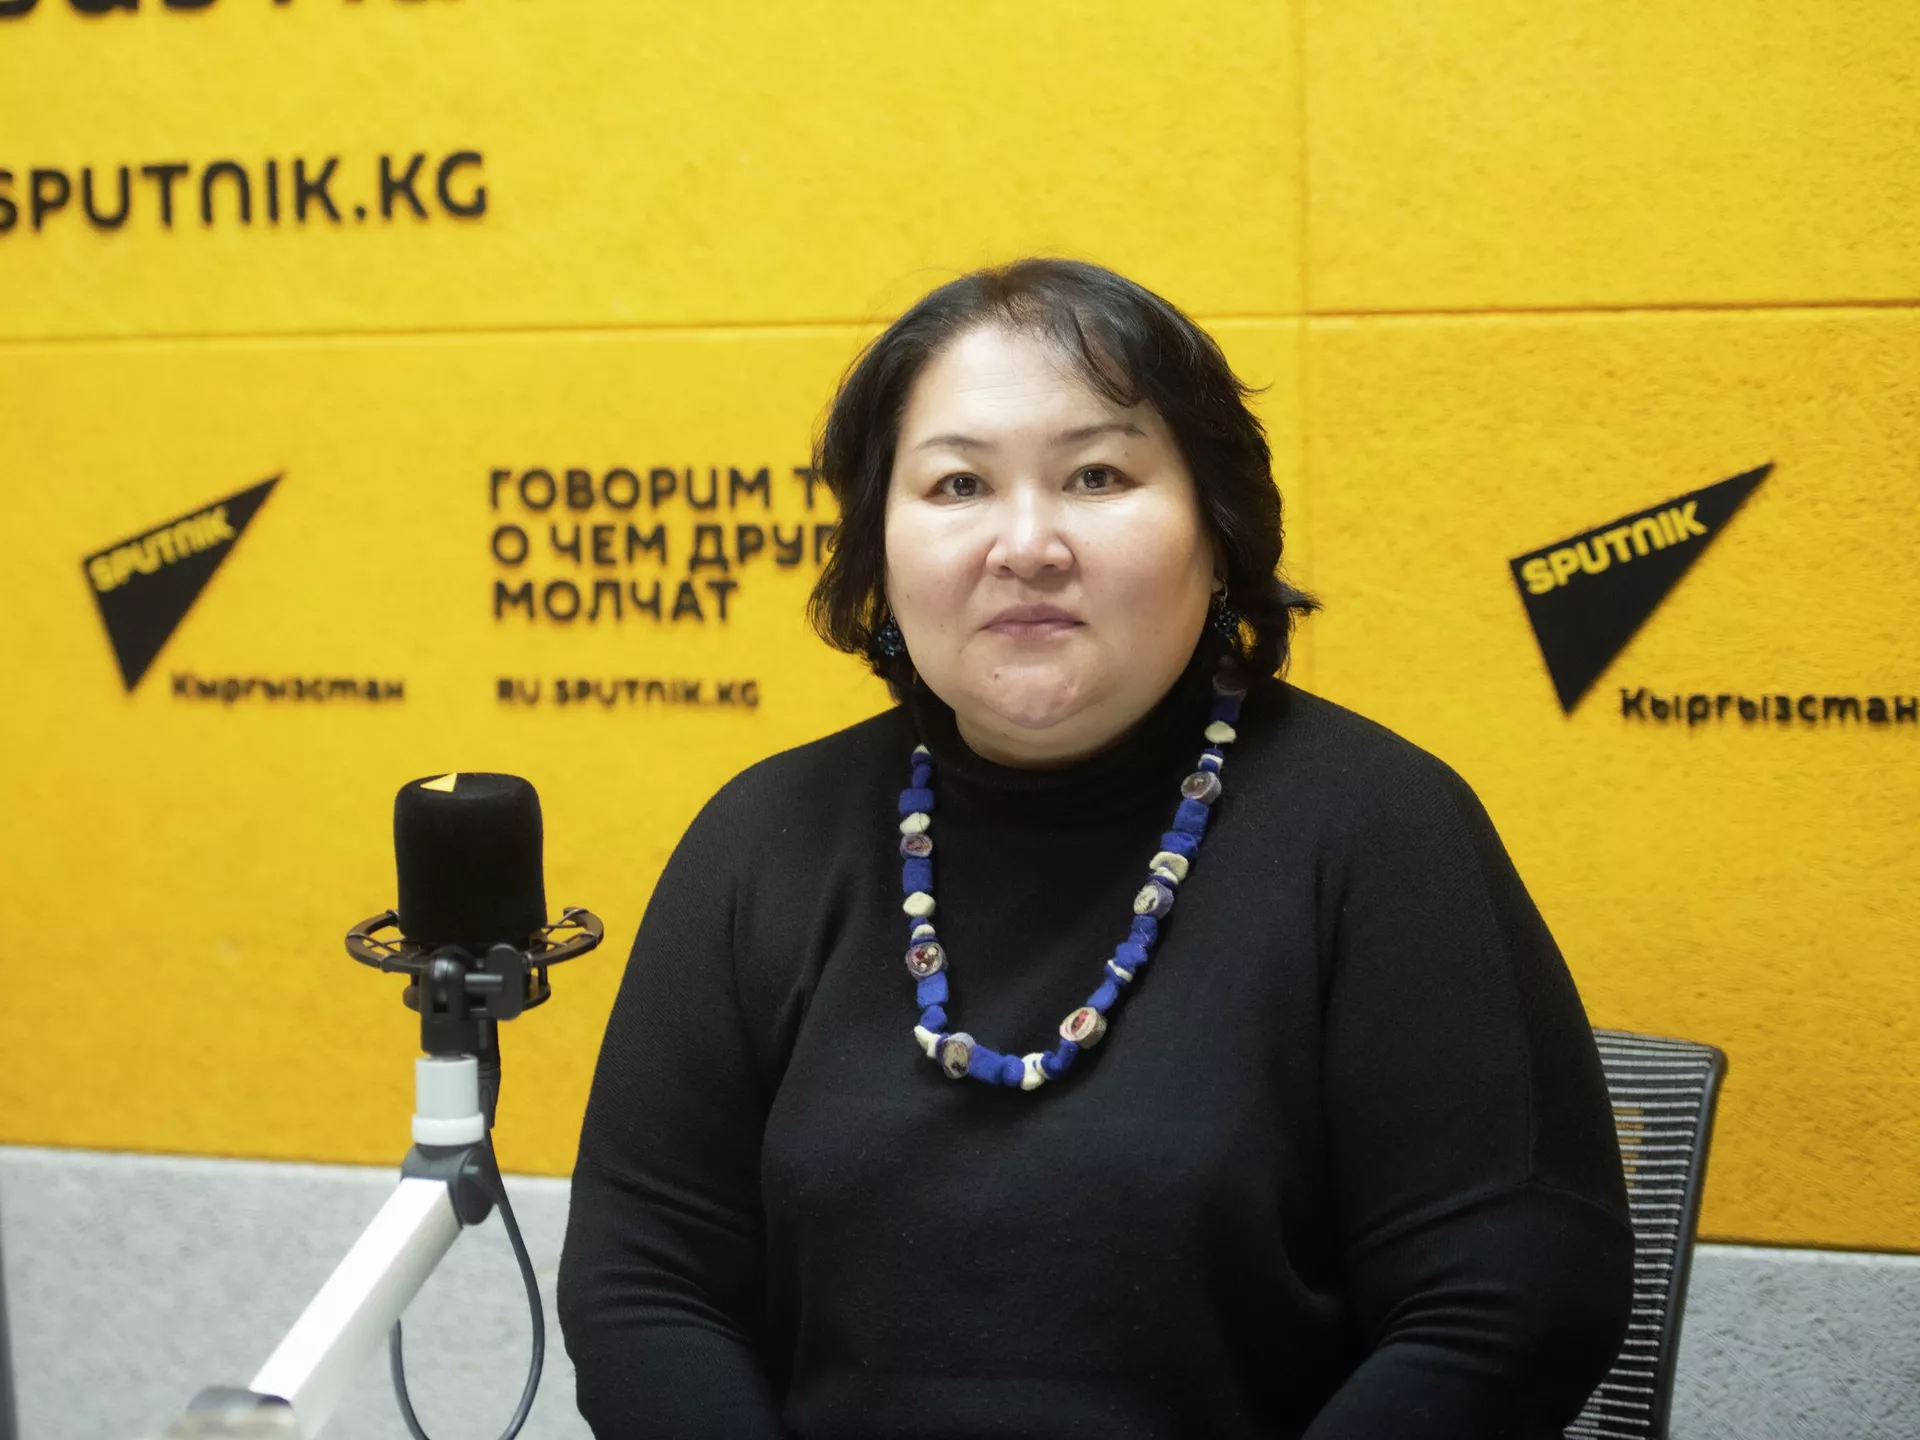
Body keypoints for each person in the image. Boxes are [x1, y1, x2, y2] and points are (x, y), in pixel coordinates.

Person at [557, 258, 1634, 1439]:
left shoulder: (1382, 829)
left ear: (1217, 531)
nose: (1026, 544)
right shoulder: (761, 841)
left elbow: (1511, 1306)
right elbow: (646, 1284)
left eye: (1097, 476)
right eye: (959, 484)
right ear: (878, 546)